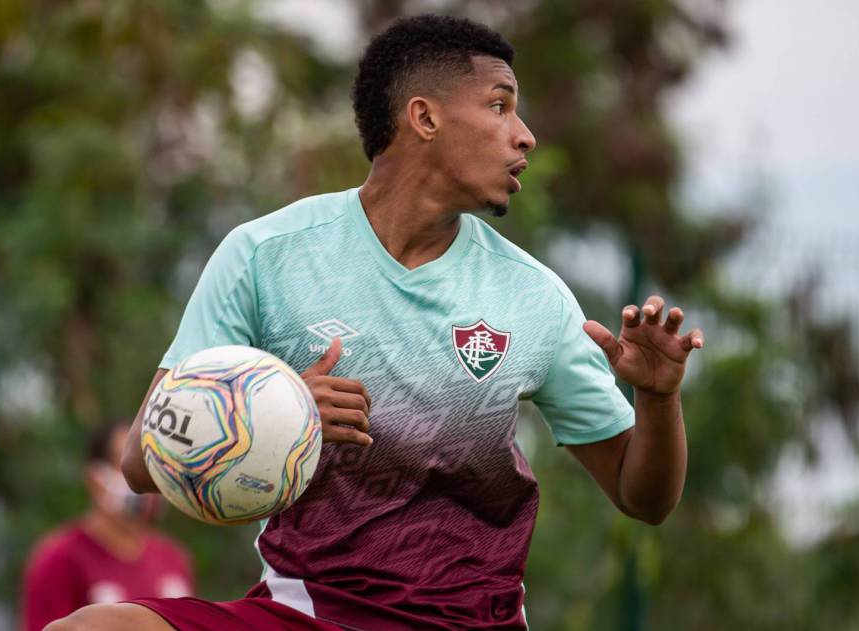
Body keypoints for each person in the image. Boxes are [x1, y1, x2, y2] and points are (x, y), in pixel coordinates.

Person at [48, 14, 702, 631]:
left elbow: (642, 497)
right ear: (424, 118)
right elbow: (139, 459)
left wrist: (658, 395)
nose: (524, 133)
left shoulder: (532, 297)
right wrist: (276, 408)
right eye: (500, 105)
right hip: (305, 612)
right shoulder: (263, 256)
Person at [22, 423, 193, 631]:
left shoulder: (173, 558)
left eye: (153, 464)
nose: (143, 477)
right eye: (128, 467)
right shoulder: (59, 559)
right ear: (95, 479)